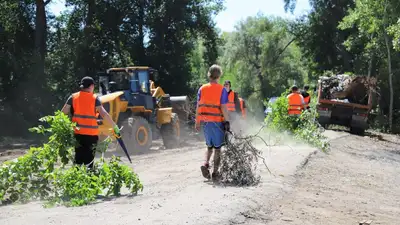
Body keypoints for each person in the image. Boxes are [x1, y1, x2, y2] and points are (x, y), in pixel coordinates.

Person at [61, 76, 120, 169]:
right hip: (91, 135)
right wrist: (114, 126)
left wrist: (62, 127)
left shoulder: (73, 97)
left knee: (78, 158)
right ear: (92, 86)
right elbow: (104, 114)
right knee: (89, 161)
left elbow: (63, 113)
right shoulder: (95, 98)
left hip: (78, 134)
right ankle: (88, 179)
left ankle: (76, 178)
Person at [195, 65, 230, 181]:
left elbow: (198, 106)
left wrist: (197, 122)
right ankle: (215, 172)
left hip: (206, 123)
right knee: (218, 149)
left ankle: (205, 164)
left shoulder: (202, 89)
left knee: (209, 147)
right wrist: (227, 121)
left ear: (209, 74)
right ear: (219, 76)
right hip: (217, 123)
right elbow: (224, 107)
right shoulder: (222, 90)